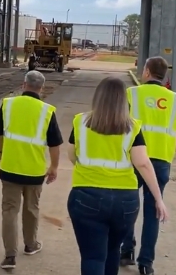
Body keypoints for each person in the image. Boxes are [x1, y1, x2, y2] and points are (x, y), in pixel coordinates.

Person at [67, 77, 168, 275]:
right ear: (124, 101)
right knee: (112, 250)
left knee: (92, 256)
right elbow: (143, 163)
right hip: (125, 202)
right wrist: (158, 198)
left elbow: (72, 155)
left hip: (86, 197)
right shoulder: (133, 127)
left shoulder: (80, 122)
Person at [120, 57, 176, 275]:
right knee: (153, 213)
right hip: (160, 163)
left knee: (128, 207)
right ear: (164, 76)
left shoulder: (131, 94)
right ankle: (146, 263)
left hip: (132, 160)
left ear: (147, 72)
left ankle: (126, 251)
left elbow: (119, 125)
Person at [0, 70, 64, 270]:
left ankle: (9, 255)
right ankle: (31, 245)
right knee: (31, 209)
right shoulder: (47, 111)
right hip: (34, 172)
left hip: (9, 168)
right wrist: (54, 167)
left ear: (24, 85)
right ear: (41, 88)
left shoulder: (8, 104)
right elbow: (55, 144)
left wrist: (2, 152)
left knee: (9, 211)